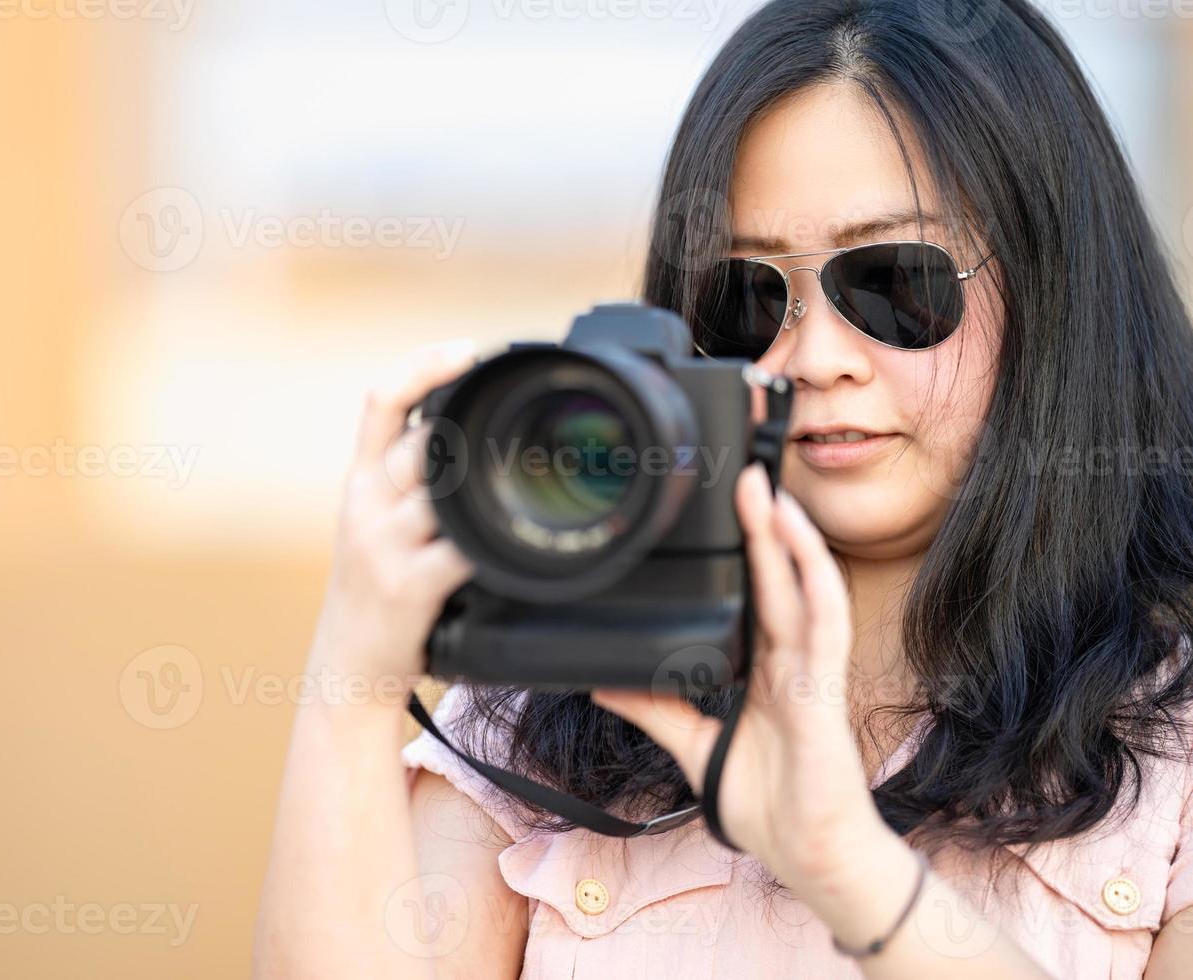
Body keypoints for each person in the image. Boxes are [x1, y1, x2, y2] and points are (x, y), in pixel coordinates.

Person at [252, 1, 1193, 976]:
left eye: (895, 282)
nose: (817, 356)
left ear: (1054, 284)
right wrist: (353, 679)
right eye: (747, 295)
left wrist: (848, 867)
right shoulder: (547, 698)